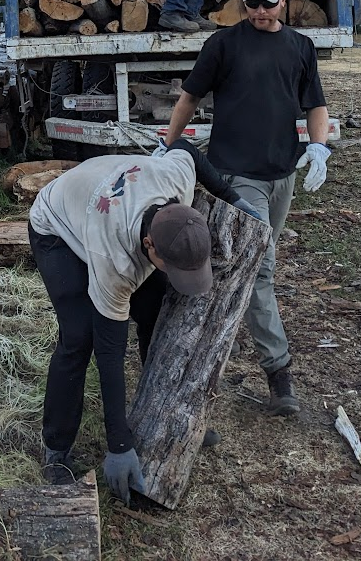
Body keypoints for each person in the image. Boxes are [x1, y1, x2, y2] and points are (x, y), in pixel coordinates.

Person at [29, 140, 259, 504]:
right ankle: (56, 449)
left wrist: (235, 199)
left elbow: (187, 149)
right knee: (79, 338)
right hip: (57, 226)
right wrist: (118, 444)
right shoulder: (115, 261)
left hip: (106, 197)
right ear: (151, 246)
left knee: (154, 312)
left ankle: (165, 416)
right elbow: (109, 354)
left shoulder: (176, 179)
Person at [163, 0, 331, 416]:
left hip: (283, 175)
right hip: (237, 177)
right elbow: (189, 98)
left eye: (267, 3)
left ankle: (208, 321)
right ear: (243, 3)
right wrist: (171, 145)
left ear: (283, 2)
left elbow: (315, 104)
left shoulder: (300, 47)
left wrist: (319, 148)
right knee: (260, 267)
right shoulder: (223, 44)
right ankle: (280, 376)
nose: (258, 11)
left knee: (250, 260)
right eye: (250, 3)